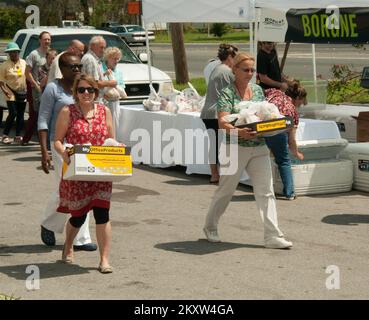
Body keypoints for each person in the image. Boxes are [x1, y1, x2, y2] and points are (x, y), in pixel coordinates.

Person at [203, 52, 293, 249]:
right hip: (234, 148)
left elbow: (263, 116)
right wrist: (238, 132)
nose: (250, 73)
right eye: (245, 70)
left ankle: (272, 236)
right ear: (234, 70)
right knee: (226, 191)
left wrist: (272, 124)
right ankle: (210, 226)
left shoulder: (258, 91)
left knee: (266, 191)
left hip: (259, 147)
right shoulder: (226, 92)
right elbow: (222, 122)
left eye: (252, 70)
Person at [54, 74, 115, 273]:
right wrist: (64, 153)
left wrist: (116, 149)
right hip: (77, 171)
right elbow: (57, 140)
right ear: (76, 93)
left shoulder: (104, 111)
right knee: (78, 216)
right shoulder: (67, 111)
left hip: (100, 172)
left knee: (102, 213)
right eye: (81, 90)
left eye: (90, 89)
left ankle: (104, 260)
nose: (86, 93)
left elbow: (111, 140)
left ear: (96, 92)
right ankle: (68, 245)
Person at [38, 52, 97, 251]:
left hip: (83, 146)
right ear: (61, 69)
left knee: (85, 189)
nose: (77, 69)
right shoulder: (53, 89)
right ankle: (48, 223)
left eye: (79, 66)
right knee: (64, 190)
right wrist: (44, 151)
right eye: (72, 67)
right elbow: (43, 120)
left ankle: (81, 238)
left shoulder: (82, 87)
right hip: (60, 146)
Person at [201, 43, 238, 183]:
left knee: (214, 144)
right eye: (236, 58)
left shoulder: (216, 68)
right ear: (229, 57)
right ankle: (226, 173)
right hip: (217, 113)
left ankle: (214, 174)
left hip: (208, 112)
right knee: (226, 143)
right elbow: (237, 90)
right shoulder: (227, 72)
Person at [264, 81, 307, 200]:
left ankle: (262, 189)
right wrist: (296, 152)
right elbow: (291, 139)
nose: (300, 105)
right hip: (277, 133)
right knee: (284, 162)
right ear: (297, 97)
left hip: (260, 129)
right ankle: (289, 193)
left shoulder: (274, 93)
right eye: (301, 102)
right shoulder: (291, 110)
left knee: (260, 161)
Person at [22, 31, 51, 145]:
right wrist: (35, 84)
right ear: (40, 40)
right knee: (35, 115)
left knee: (46, 115)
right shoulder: (34, 54)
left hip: (48, 89)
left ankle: (43, 141)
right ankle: (26, 139)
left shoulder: (50, 54)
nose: (47, 41)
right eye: (45, 39)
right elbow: (27, 72)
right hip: (35, 89)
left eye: (49, 39)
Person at [0, 42, 27, 144]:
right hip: (10, 92)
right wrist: (5, 91)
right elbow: (1, 82)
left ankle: (18, 136)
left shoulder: (24, 63)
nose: (13, 54)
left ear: (18, 52)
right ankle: (5, 135)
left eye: (15, 52)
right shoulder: (4, 66)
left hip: (22, 91)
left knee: (20, 114)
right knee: (13, 113)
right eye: (11, 52)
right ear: (8, 54)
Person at [102, 46, 127, 137]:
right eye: (114, 59)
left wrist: (114, 85)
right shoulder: (100, 68)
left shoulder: (119, 72)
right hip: (101, 103)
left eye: (118, 59)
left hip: (114, 103)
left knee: (113, 128)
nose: (116, 61)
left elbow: (122, 88)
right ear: (107, 58)